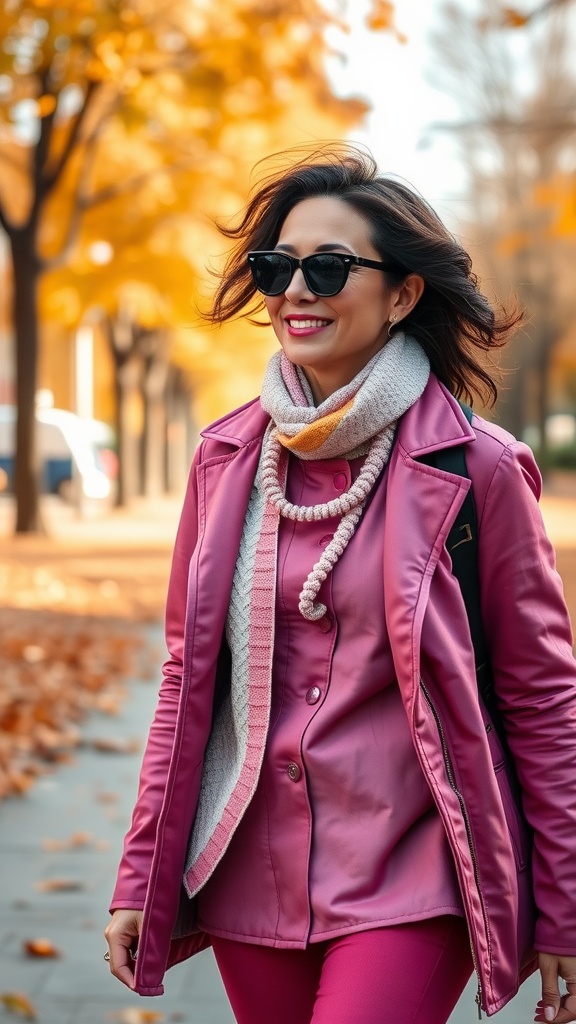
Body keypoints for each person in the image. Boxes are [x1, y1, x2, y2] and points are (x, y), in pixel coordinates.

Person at [104, 144, 576, 1024]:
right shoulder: (225, 459)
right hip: (252, 870)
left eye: (328, 267)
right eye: (277, 266)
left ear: (404, 294)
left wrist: (565, 903)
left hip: (414, 866)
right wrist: (141, 875)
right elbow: (183, 682)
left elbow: (543, 697)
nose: (295, 290)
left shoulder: (480, 470)